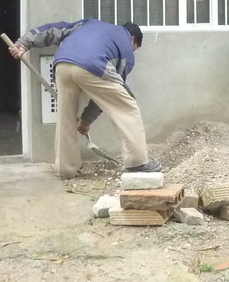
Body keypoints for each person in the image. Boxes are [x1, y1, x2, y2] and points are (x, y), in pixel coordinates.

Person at [8, 18, 161, 178]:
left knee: (66, 117)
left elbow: (53, 30)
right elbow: (106, 96)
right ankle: (137, 163)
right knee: (126, 108)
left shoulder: (88, 24)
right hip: (92, 64)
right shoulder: (126, 49)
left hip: (62, 64)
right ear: (133, 39)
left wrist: (24, 43)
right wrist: (86, 120)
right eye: (134, 48)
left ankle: (65, 169)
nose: (132, 51)